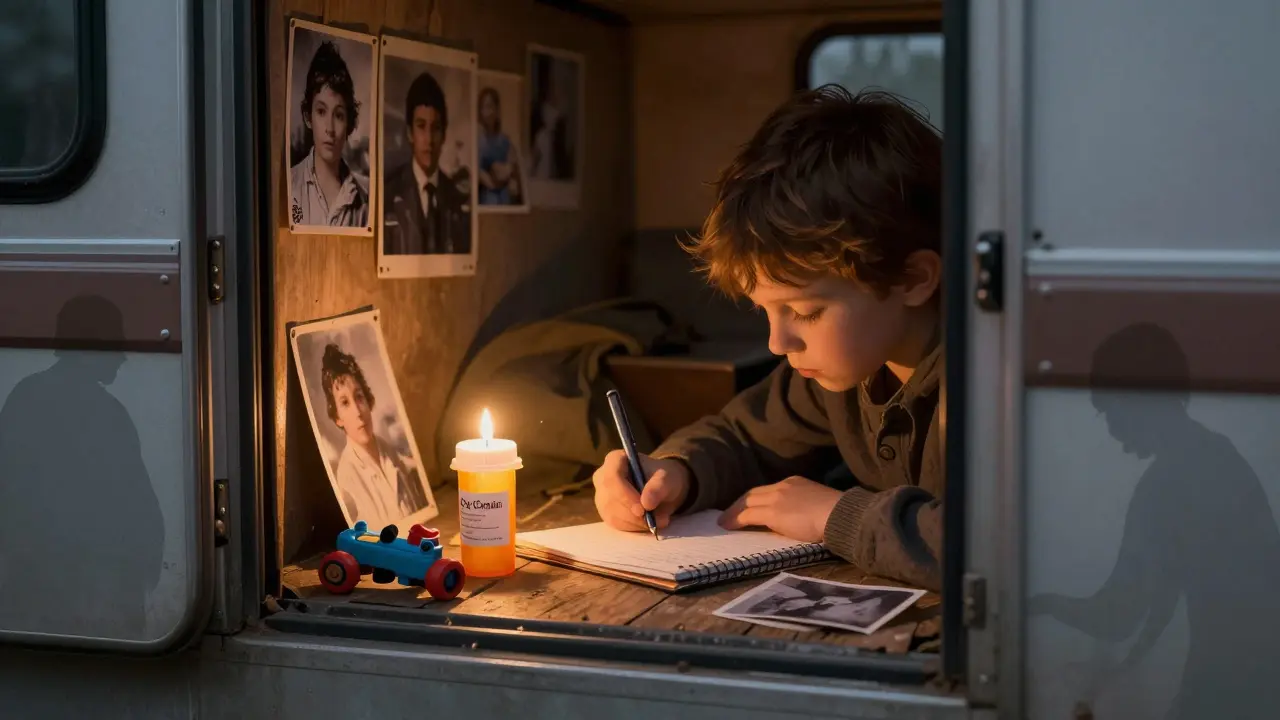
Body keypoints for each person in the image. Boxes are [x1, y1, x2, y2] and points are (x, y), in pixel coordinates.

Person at [591, 85, 945, 591]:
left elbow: (1004, 547)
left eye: (805, 311)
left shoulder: (990, 384)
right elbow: (743, 436)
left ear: (912, 280)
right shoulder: (840, 371)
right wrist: (676, 471)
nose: (779, 342)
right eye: (765, 310)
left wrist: (834, 516)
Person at [320, 343, 428, 530]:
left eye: (359, 397)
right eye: (345, 403)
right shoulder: (347, 478)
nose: (357, 411)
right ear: (338, 417)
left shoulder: (390, 452)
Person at [383, 71, 471, 255]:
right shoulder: (389, 192)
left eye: (436, 128)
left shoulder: (457, 198)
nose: (429, 139)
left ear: (444, 134)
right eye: (421, 126)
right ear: (409, 133)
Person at [289, 40, 369, 229]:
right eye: (321, 112)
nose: (330, 129)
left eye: (339, 115)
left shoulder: (365, 196)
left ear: (349, 122)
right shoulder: (290, 185)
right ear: (308, 117)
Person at [477, 87, 521, 206]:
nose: (488, 112)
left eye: (491, 107)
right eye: (484, 107)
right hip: (488, 198)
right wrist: (495, 181)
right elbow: (480, 174)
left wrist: (508, 171)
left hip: (505, 197)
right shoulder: (479, 143)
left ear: (497, 110)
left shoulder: (505, 141)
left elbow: (511, 169)